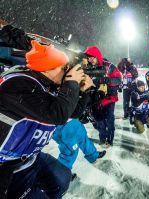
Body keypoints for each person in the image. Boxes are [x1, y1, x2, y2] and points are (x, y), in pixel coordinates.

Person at [0, 39, 87, 198]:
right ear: (48, 69)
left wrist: (83, 91)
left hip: (30, 157)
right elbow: (58, 114)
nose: (66, 72)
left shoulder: (45, 83)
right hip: (7, 166)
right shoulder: (18, 84)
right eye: (64, 68)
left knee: (62, 179)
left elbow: (71, 112)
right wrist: (71, 84)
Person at [83, 46, 122, 147]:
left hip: (109, 97)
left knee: (109, 118)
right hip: (95, 99)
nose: (91, 60)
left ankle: (110, 139)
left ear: (98, 56)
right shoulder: (88, 68)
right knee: (99, 120)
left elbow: (118, 80)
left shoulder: (109, 66)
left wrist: (106, 80)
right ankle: (102, 138)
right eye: (89, 58)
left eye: (93, 57)